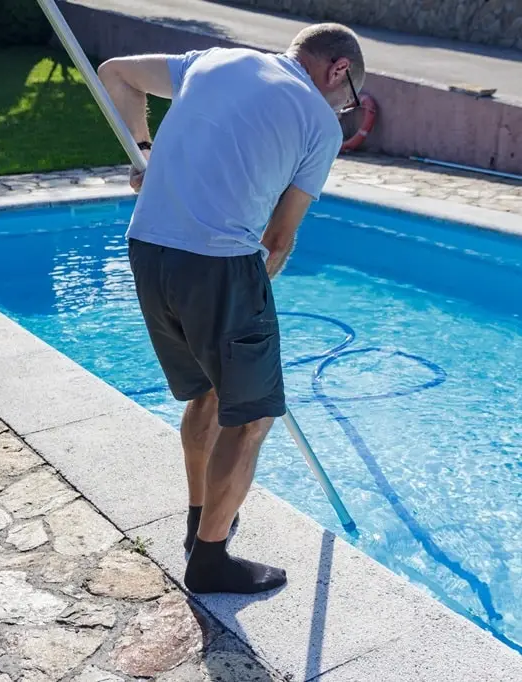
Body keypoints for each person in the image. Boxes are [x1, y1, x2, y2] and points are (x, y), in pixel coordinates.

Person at [98, 23, 365, 595]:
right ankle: (212, 560)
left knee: (209, 395)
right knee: (251, 418)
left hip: (147, 250)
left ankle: (200, 522)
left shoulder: (214, 61)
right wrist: (252, 294)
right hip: (218, 265)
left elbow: (114, 73)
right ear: (337, 70)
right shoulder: (320, 123)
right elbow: (278, 240)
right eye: (348, 98)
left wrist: (144, 153)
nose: (344, 109)